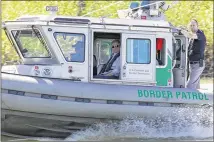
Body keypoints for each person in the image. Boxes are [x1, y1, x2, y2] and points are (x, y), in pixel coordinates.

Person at [180, 19, 206, 89]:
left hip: (198, 64)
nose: (192, 27)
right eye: (191, 25)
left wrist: (182, 31)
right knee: (196, 85)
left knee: (190, 85)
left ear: (197, 26)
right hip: (192, 63)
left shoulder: (200, 34)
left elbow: (191, 35)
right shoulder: (192, 36)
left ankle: (185, 99)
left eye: (194, 25)